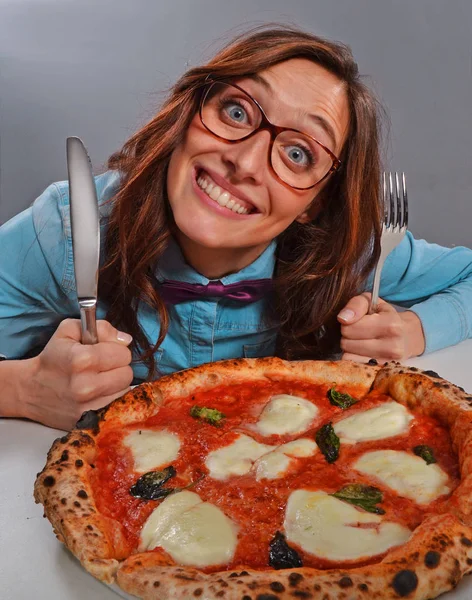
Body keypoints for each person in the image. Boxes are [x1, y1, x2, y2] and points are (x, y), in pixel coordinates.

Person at [1, 26, 471, 431]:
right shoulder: (68, 230)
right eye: (237, 112)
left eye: (298, 153)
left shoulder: (355, 252)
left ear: (317, 202)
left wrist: (414, 330)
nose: (243, 163)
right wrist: (23, 391)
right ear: (189, 114)